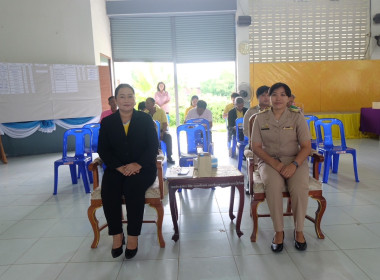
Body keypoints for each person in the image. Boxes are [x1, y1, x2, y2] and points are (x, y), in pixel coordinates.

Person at [97, 84, 158, 259]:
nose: (126, 100)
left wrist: (137, 164)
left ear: (134, 99)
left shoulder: (145, 120)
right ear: (115, 100)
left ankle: (132, 236)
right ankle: (117, 234)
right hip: (117, 168)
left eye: (130, 96)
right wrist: (118, 166)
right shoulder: (108, 122)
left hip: (143, 167)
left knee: (133, 187)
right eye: (122, 96)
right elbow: (103, 149)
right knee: (109, 189)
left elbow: (153, 147)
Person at [251, 82, 311, 253]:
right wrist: (276, 164)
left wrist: (294, 164)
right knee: (273, 185)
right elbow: (256, 147)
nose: (278, 98)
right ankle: (279, 232)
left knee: (300, 187)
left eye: (283, 94)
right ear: (268, 97)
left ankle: (299, 231)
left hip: (295, 160)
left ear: (289, 98)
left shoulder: (297, 116)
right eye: (274, 94)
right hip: (269, 161)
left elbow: (306, 146)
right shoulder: (260, 118)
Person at [145, 97, 175, 164]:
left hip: (161, 131)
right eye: (146, 103)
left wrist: (162, 133)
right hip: (150, 133)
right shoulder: (145, 113)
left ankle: (169, 156)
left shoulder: (161, 111)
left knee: (168, 136)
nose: (146, 104)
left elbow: (165, 124)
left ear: (153, 103)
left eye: (148, 103)